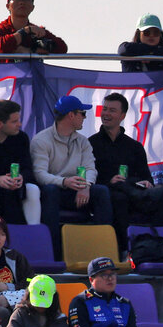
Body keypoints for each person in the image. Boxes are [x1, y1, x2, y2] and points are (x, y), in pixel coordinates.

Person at [92, 92, 163, 248]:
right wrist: (109, 181)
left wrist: (146, 183)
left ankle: (159, 246)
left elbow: (147, 178)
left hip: (135, 192)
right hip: (110, 194)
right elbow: (89, 177)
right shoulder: (91, 144)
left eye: (112, 110)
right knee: (119, 197)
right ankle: (123, 249)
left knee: (162, 195)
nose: (106, 114)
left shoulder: (134, 146)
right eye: (105, 109)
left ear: (122, 115)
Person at [31, 95, 112, 248]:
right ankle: (52, 251)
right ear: (71, 115)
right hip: (55, 191)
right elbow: (40, 174)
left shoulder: (82, 141)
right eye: (82, 113)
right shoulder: (41, 140)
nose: (84, 118)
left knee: (102, 192)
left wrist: (86, 186)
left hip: (78, 190)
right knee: (50, 191)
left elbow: (90, 168)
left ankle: (104, 248)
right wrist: (64, 181)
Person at [0, 0, 67, 59]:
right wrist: (25, 31)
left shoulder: (37, 31)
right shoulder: (0, 29)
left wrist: (33, 50)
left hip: (32, 72)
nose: (22, 2)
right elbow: (0, 46)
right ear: (8, 6)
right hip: (5, 72)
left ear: (33, 7)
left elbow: (62, 48)